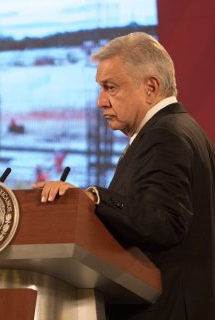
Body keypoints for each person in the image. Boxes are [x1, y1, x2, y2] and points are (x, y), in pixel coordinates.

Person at [32, 32, 215, 319]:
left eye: (110, 87)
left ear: (151, 88)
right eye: (100, 88)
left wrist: (93, 198)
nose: (100, 101)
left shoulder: (165, 136)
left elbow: (163, 223)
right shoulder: (183, 130)